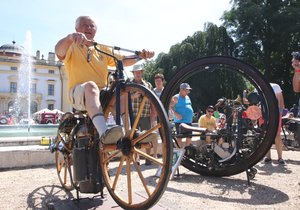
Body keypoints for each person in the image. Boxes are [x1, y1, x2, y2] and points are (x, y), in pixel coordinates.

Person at [55, 16, 154, 144]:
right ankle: (104, 134)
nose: (89, 28)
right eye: (85, 25)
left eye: (92, 25)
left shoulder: (100, 48)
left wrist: (140, 56)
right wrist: (70, 37)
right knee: (91, 86)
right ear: (76, 28)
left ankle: (131, 132)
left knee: (122, 93)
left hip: (102, 94)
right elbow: (58, 51)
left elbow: (122, 60)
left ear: (96, 30)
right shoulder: (71, 46)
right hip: (79, 93)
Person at [131, 64, 157, 165]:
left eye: (139, 72)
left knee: (147, 137)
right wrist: (133, 96)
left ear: (141, 73)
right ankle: (136, 158)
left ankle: (148, 158)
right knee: (134, 139)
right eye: (136, 72)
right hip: (133, 115)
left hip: (146, 114)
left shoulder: (148, 85)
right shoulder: (129, 84)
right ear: (133, 73)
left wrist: (153, 112)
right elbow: (124, 98)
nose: (138, 74)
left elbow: (152, 100)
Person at [264, 83, 286, 165]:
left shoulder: (275, 86)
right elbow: (281, 102)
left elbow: (281, 102)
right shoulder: (275, 86)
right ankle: (273, 157)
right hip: (264, 113)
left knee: (275, 134)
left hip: (273, 112)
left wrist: (280, 113)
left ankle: (276, 157)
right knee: (268, 135)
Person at [170, 83, 194, 148]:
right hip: (180, 121)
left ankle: (187, 152)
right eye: (186, 90)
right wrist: (176, 114)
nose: (188, 92)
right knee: (180, 137)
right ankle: (180, 152)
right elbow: (170, 106)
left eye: (188, 90)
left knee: (189, 137)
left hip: (188, 121)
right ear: (181, 90)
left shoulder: (187, 97)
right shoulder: (176, 97)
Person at [152, 73, 165, 158]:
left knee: (164, 136)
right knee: (155, 136)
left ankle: (165, 155)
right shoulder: (153, 91)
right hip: (155, 116)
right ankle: (155, 154)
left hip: (164, 116)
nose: (158, 82)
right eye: (156, 81)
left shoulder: (166, 90)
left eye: (159, 81)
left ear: (162, 81)